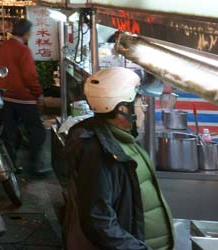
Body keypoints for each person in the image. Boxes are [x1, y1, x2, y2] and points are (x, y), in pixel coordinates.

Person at [63, 67, 173, 250]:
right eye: (140, 104)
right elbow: (98, 220)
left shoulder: (122, 139)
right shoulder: (99, 153)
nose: (143, 111)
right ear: (122, 109)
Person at [0, 18, 49, 176]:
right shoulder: (24, 51)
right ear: (26, 33)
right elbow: (29, 76)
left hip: (7, 96)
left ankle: (10, 166)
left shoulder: (4, 46)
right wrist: (38, 93)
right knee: (37, 132)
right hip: (24, 98)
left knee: (10, 133)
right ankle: (34, 166)